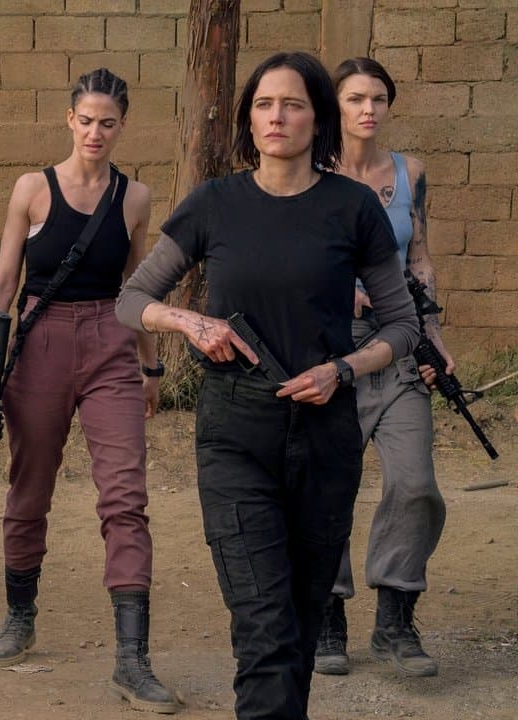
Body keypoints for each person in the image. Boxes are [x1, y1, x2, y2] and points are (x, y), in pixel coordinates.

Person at [115, 51, 420, 720]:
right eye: (263, 104)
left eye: (292, 104)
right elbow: (132, 300)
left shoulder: (353, 207)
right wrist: (190, 322)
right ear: (249, 120)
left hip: (326, 435)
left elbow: (402, 325)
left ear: (318, 118)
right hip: (235, 433)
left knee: (302, 625)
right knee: (264, 626)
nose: (276, 116)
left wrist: (343, 369)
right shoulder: (214, 204)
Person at [0, 68, 180, 714]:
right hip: (40, 341)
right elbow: (2, 284)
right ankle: (20, 613)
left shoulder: (134, 197)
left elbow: (138, 289)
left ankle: (132, 659)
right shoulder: (33, 189)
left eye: (107, 123)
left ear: (122, 127)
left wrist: (149, 367)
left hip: (110, 342)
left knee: (125, 496)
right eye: (86, 120)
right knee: (29, 486)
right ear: (69, 120)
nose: (95, 132)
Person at [313, 57, 450, 679]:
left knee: (415, 483)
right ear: (334, 106)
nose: (368, 109)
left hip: (398, 341)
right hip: (329, 345)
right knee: (325, 487)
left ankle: (395, 618)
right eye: (355, 98)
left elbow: (418, 258)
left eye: (378, 98)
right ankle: (327, 615)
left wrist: (433, 336)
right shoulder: (311, 173)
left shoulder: (409, 173)